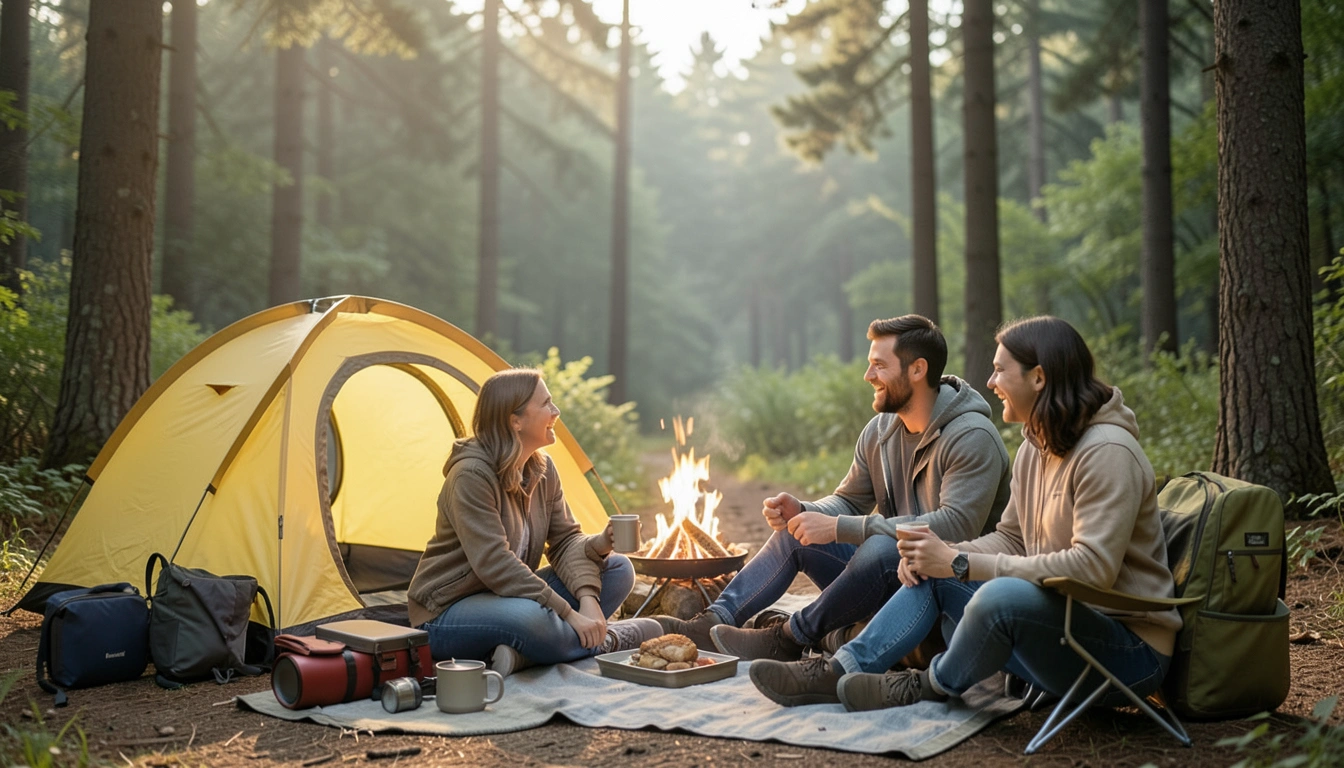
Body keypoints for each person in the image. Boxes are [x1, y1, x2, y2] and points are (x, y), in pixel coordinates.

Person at [748, 316, 1181, 712]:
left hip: (1126, 653)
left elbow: (1093, 568)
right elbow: (1011, 538)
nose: (990, 382)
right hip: (1060, 626)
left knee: (993, 592)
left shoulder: (1108, 452)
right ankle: (838, 671)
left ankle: (927, 685)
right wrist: (942, 558)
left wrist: (960, 562)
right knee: (937, 567)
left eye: (1000, 370)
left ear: (1038, 377)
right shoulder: (1036, 448)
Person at [655, 315, 1011, 663]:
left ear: (918, 369)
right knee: (797, 531)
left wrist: (840, 527)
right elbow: (849, 501)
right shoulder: (880, 431)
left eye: (879, 366)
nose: (868, 375)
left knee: (882, 546)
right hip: (890, 580)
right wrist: (805, 511)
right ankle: (712, 622)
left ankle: (789, 637)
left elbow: (956, 526)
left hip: (945, 592)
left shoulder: (971, 436)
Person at [407, 368, 660, 676]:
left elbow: (565, 541)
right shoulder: (471, 476)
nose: (556, 411)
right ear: (515, 421)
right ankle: (612, 640)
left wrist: (591, 588)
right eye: (546, 404)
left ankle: (524, 655)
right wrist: (569, 613)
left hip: (506, 596)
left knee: (618, 568)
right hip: (446, 611)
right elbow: (496, 565)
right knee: (533, 619)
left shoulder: (542, 469)